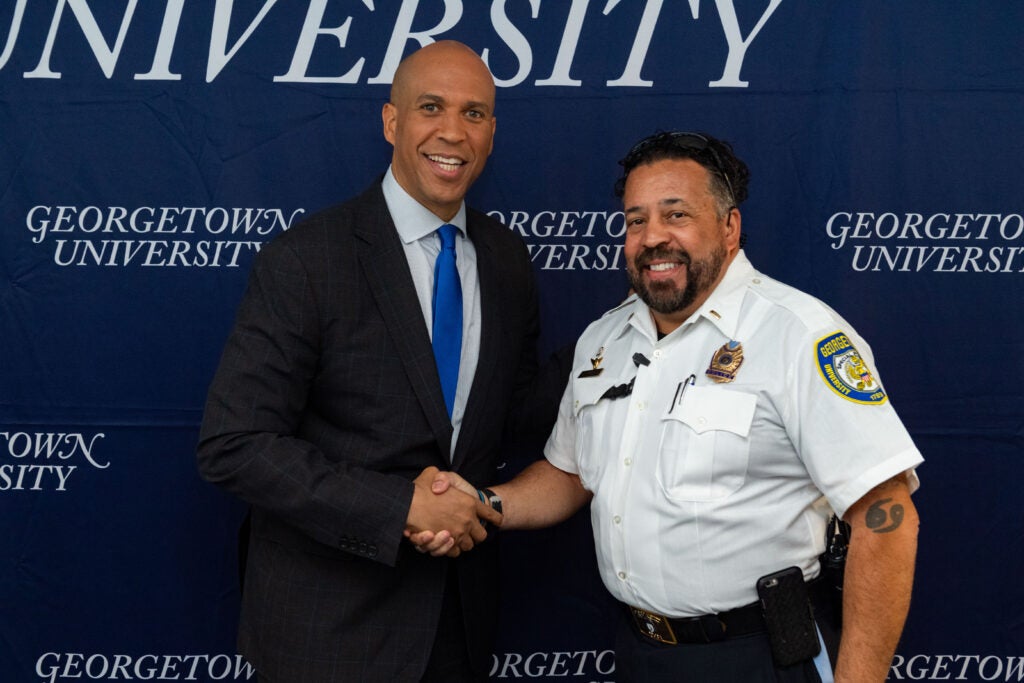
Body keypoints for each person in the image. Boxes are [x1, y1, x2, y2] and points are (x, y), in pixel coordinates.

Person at [413, 131, 923, 682]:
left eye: (675, 215)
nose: (652, 236)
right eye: (635, 220)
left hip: (765, 658)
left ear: (730, 228)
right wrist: (482, 501)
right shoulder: (603, 341)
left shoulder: (799, 335)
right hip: (640, 653)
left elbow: (886, 516)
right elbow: (572, 474)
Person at [197, 40, 540, 682]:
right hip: (328, 634)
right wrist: (399, 507)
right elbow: (234, 442)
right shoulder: (307, 258)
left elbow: (513, 409)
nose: (452, 131)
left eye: (474, 114)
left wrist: (630, 338)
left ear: (492, 133)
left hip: (458, 630)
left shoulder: (506, 260)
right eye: (431, 107)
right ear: (391, 121)